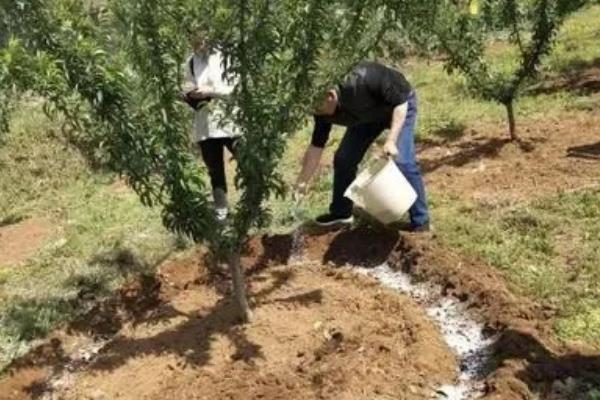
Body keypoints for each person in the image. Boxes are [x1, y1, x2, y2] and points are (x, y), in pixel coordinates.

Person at [295, 61, 430, 232]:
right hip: (367, 117)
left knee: (403, 161)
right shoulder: (321, 110)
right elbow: (316, 147)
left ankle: (421, 223)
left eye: (318, 110)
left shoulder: (363, 79)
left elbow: (401, 104)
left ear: (330, 95)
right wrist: (302, 181)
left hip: (399, 106)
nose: (317, 115)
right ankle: (341, 213)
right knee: (344, 158)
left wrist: (391, 140)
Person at [181, 33, 239, 221]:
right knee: (214, 169)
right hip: (205, 124)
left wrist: (211, 92)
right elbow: (188, 86)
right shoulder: (191, 61)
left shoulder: (225, 55)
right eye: (194, 40)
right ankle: (221, 211)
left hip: (230, 121)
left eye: (201, 38)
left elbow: (236, 89)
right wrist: (188, 94)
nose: (198, 43)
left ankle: (254, 204)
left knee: (245, 161)